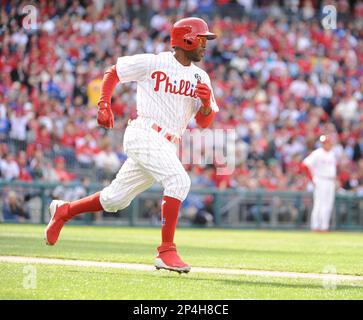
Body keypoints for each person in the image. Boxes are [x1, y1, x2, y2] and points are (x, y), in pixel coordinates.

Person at [45, 17, 219, 273]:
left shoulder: (200, 76)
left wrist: (204, 105)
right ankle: (166, 250)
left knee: (116, 199)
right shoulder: (155, 61)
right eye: (202, 39)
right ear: (187, 39)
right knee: (179, 181)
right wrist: (103, 103)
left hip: (168, 144)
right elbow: (114, 71)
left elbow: (205, 122)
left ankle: (64, 210)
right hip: (144, 133)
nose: (205, 45)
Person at [301, 135, 337, 232]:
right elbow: (304, 165)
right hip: (320, 180)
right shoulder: (317, 153)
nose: (326, 144)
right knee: (320, 204)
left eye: (328, 142)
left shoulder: (332, 154)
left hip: (330, 181)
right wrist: (311, 178)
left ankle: (324, 227)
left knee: (328, 204)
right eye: (324, 143)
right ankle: (316, 226)